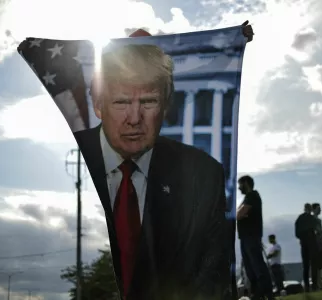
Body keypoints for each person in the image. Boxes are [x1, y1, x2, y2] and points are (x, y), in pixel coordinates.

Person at [73, 25, 254, 300]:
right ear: (99, 105)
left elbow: (210, 265)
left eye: (148, 101)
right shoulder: (82, 151)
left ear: (166, 106)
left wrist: (236, 39)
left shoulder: (203, 174)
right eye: (122, 101)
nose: (134, 118)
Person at [236, 175, 273, 300]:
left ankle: (268, 294)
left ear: (246, 183)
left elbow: (241, 213)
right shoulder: (247, 198)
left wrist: (236, 214)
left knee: (258, 266)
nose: (238, 188)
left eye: (240, 184)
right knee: (250, 268)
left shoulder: (252, 196)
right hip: (245, 237)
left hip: (251, 236)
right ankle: (258, 294)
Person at [294, 203, 318, 292]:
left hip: (303, 242)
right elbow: (316, 229)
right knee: (314, 264)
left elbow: (296, 232)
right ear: (310, 209)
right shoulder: (312, 218)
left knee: (306, 265)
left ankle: (307, 286)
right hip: (311, 241)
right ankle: (314, 286)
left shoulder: (300, 218)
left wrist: (301, 237)